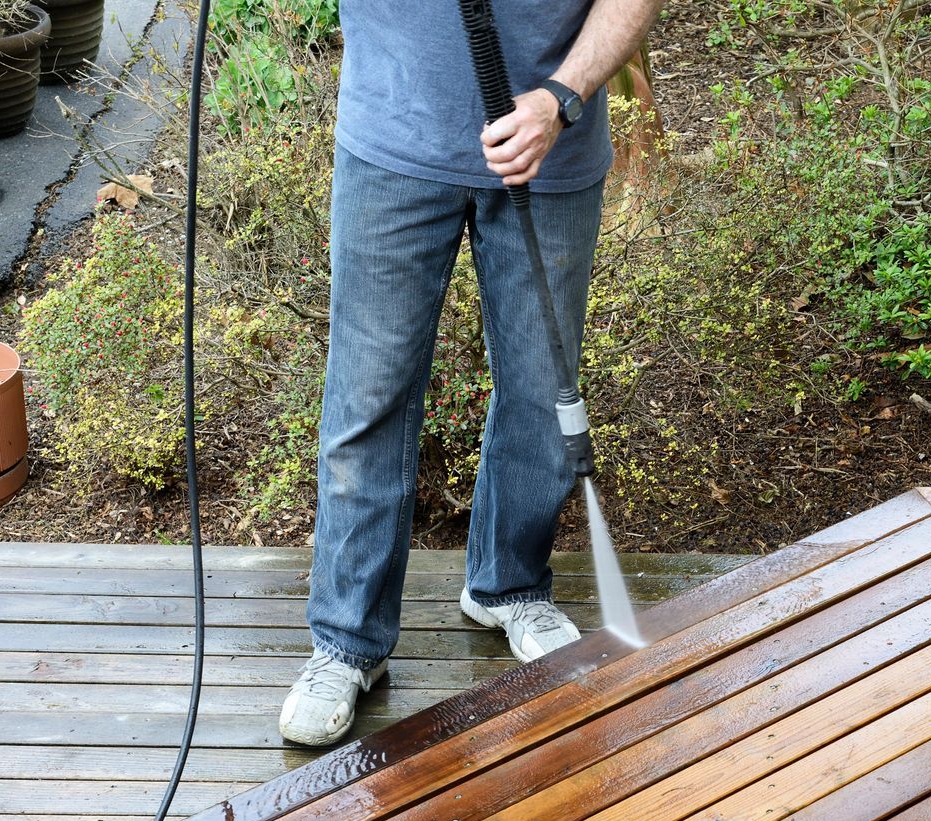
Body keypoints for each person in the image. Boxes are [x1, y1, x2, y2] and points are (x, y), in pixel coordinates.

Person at [279, 0, 660, 747]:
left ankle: (509, 584)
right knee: (370, 397)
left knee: (541, 392)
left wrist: (563, 96)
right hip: (393, 141)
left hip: (549, 149)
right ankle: (346, 642)